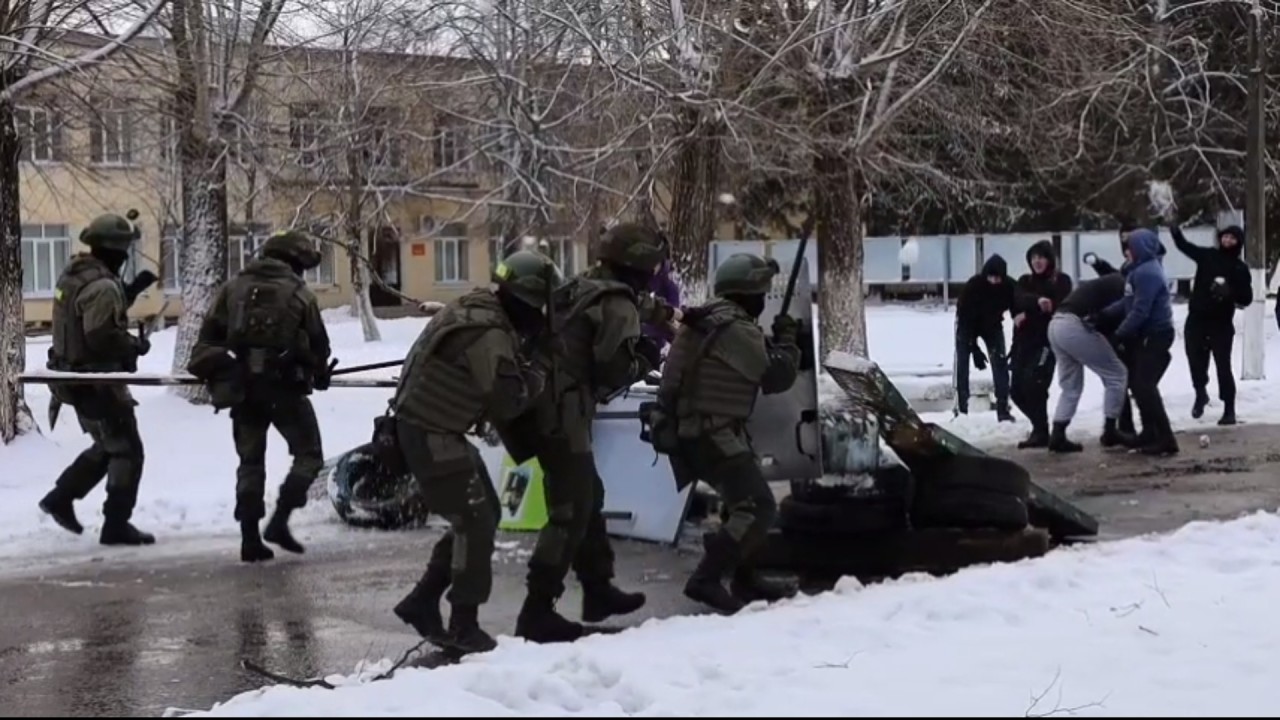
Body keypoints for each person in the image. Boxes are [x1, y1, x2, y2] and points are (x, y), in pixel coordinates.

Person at [380, 250, 556, 656]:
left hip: (434, 429)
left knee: (481, 514)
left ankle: (423, 600)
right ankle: (463, 624)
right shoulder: (489, 334)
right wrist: (541, 364)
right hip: (431, 433)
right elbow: (510, 402)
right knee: (475, 521)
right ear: (528, 301)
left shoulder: (477, 308)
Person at [513, 224, 674, 644]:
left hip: (542, 403)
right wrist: (648, 355)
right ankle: (537, 610)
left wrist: (666, 314)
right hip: (562, 412)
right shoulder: (616, 303)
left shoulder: (584, 284)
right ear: (640, 263)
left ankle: (598, 589)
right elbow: (613, 370)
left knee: (588, 496)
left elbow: (628, 303)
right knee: (571, 509)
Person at [646, 252, 800, 614]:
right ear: (749, 295)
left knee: (739, 503)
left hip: (695, 430)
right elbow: (777, 377)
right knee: (758, 506)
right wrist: (789, 340)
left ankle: (744, 578)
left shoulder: (708, 319)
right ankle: (706, 579)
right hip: (709, 433)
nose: (763, 300)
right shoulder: (735, 329)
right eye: (760, 292)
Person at [187, 230, 334, 563]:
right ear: (294, 262)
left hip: (242, 391)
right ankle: (280, 520)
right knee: (309, 456)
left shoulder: (232, 289)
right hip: (285, 391)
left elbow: (208, 338)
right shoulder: (300, 295)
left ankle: (249, 539)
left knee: (250, 463)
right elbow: (319, 346)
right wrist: (316, 369)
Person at [38, 214, 158, 546]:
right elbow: (101, 335)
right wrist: (134, 345)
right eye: (125, 251)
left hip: (75, 380)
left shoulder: (74, 276)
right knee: (128, 451)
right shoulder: (102, 285)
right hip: (98, 383)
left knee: (109, 446)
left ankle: (60, 498)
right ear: (116, 251)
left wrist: (127, 293)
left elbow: (87, 314)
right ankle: (115, 523)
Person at [1102, 228, 1178, 456]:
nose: (1127, 252)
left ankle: (1166, 437)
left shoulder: (1147, 273)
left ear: (1141, 248)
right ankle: (1149, 432)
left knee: (1144, 385)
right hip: (1147, 334)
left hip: (1156, 334)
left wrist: (1120, 334)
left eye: (1131, 247)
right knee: (1138, 384)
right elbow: (1128, 303)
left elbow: (1140, 311)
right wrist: (1104, 314)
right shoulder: (1138, 271)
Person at [1045, 264, 1133, 453]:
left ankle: (1057, 434)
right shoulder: (1122, 284)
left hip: (1056, 324)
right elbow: (1113, 316)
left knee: (1071, 387)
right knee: (1117, 374)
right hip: (1074, 325)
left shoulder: (1108, 281)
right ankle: (1110, 431)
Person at [1170, 224, 1251, 425]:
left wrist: (1229, 293)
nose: (1228, 241)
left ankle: (1229, 408)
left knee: (1223, 366)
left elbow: (1246, 298)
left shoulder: (1240, 268)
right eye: (1225, 237)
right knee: (1195, 359)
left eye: (1233, 238)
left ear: (1238, 243)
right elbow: (1185, 247)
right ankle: (1200, 393)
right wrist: (1175, 232)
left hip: (1220, 323)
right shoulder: (1208, 256)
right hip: (1197, 319)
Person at [1010, 241, 1073, 448]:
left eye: (1041, 257)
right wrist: (1036, 304)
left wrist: (1029, 312)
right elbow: (1018, 300)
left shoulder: (1061, 281)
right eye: (1033, 258)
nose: (1037, 262)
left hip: (1047, 341)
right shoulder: (1024, 281)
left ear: (1049, 259)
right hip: (1023, 343)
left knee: (1034, 383)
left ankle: (1041, 430)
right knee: (1017, 390)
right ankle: (1040, 427)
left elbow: (1058, 306)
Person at [954, 255, 1015, 420]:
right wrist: (974, 349)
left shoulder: (1009, 286)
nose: (994, 281)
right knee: (962, 364)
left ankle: (1003, 409)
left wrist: (1017, 346)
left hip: (993, 325)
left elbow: (1018, 310)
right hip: (967, 325)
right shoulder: (974, 286)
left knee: (999, 363)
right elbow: (965, 319)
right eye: (991, 277)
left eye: (998, 278)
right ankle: (961, 409)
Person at [643, 256, 681, 354]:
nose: (653, 267)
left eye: (656, 264)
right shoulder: (641, 281)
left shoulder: (669, 287)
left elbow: (671, 317)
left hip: (654, 340)